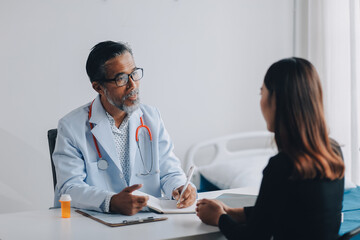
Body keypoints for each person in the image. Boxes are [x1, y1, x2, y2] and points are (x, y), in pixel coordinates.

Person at [196, 57, 345, 239]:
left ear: (276, 100)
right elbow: (291, 211)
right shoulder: (334, 152)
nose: (261, 101)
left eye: (262, 93)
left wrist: (219, 218)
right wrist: (233, 212)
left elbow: (253, 237)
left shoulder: (283, 165)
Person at [53, 41, 196, 215]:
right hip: (96, 222)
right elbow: (69, 188)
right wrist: (110, 201)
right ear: (98, 87)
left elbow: (169, 171)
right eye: (121, 78)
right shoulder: (71, 127)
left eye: (134, 74)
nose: (133, 85)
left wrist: (180, 186)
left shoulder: (151, 118)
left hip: (148, 220)